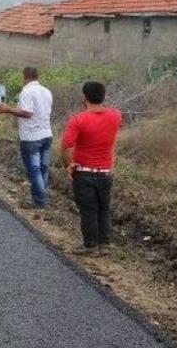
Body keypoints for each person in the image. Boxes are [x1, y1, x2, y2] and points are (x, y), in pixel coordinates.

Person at [60, 81, 122, 256]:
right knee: (104, 208)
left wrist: (68, 165)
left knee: (89, 209)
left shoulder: (78, 120)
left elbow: (65, 146)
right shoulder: (115, 116)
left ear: (84, 97)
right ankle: (105, 244)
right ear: (103, 96)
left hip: (84, 172)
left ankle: (90, 245)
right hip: (106, 172)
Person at [0, 67, 53, 208]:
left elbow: (27, 113)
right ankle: (38, 198)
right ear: (37, 76)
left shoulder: (27, 92)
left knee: (34, 170)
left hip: (31, 137)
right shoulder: (47, 91)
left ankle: (40, 201)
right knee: (43, 169)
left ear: (25, 76)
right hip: (47, 135)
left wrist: (7, 109)